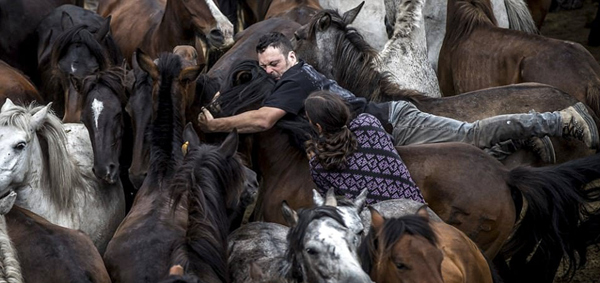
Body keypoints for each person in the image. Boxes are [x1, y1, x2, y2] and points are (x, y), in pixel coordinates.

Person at [197, 32, 599, 163]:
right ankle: (514, 136)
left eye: (274, 63)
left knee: (473, 135)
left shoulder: (297, 78)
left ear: (292, 56)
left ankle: (561, 120)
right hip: (382, 131)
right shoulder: (288, 81)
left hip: (397, 123)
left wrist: (216, 125)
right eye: (265, 67)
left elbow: (264, 120)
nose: (271, 71)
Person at [305, 90, 424, 205]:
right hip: (416, 206)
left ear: (319, 127)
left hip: (383, 223)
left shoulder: (318, 165)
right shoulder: (368, 122)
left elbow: (334, 203)